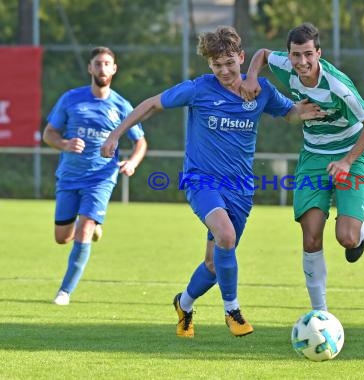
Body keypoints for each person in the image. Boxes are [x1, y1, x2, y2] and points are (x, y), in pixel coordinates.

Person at [100, 26, 324, 338]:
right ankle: (232, 310)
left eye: (230, 62)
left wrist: (318, 110)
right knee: (226, 236)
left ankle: (184, 304)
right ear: (209, 65)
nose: (224, 70)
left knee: (214, 264)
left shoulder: (260, 92)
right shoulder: (199, 89)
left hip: (240, 189)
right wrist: (115, 134)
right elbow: (152, 104)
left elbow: (290, 114)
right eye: (217, 65)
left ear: (241, 58)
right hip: (201, 180)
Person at [240, 23, 364, 312]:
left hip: (350, 155)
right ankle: (320, 312)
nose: (302, 62)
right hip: (313, 158)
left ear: (318, 53)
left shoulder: (338, 85)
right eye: (296, 55)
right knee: (311, 235)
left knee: (347, 238)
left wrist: (346, 161)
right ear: (289, 55)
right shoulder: (285, 64)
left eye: (308, 54)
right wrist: (252, 76)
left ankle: (361, 223)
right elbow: (263, 54)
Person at [43, 46, 147, 306]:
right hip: (69, 176)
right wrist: (65, 144)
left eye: (107, 64)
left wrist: (132, 163)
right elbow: (49, 134)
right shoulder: (70, 99)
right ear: (90, 68)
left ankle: (64, 292)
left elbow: (141, 142)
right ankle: (93, 227)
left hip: (101, 177)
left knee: (84, 229)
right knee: (62, 238)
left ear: (114, 69)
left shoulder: (122, 106)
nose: (102, 68)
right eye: (97, 63)